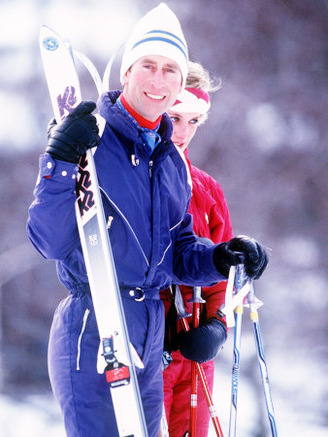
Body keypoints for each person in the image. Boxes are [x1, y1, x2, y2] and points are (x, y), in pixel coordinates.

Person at [27, 4, 268, 437]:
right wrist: (60, 160)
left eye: (170, 70)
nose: (158, 81)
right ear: (126, 73)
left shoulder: (170, 162)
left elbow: (178, 252)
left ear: (180, 82)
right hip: (94, 320)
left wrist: (223, 257)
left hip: (149, 331)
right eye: (147, 66)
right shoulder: (90, 138)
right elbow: (48, 240)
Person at [161, 61, 234, 437]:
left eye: (193, 121)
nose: (183, 132)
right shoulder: (136, 177)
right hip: (149, 350)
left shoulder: (207, 188)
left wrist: (218, 326)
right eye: (174, 118)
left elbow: (226, 276)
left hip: (194, 357)